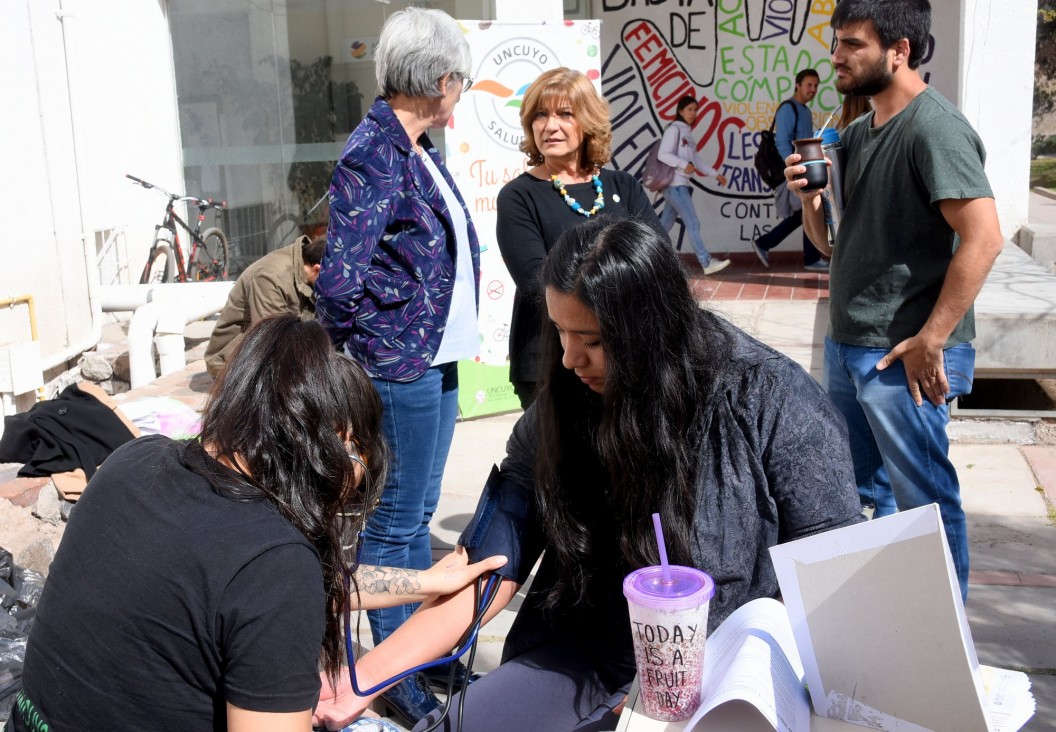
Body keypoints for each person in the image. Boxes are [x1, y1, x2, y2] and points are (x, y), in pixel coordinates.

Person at [313, 216, 863, 732]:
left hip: (720, 674)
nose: (572, 359)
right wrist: (362, 680)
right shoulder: (559, 410)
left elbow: (832, 584)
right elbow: (487, 567)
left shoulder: (772, 401)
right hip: (584, 655)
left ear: (655, 331)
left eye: (595, 341)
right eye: (560, 332)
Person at [11, 315, 506, 732]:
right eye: (356, 449)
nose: (356, 470)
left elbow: (253, 594)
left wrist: (427, 582)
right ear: (331, 438)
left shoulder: (134, 461)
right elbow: (271, 587)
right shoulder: (273, 559)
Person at [788, 0, 1005, 601]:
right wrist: (810, 199)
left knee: (924, 502)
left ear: (899, 50)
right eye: (836, 43)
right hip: (849, 344)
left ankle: (947, 644)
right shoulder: (858, 133)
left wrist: (932, 338)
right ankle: (886, 631)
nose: (837, 57)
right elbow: (832, 245)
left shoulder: (934, 127)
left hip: (903, 352)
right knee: (853, 494)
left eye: (853, 44)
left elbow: (984, 238)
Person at [315, 7, 481, 725]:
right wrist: (361, 361)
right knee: (393, 529)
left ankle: (424, 653)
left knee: (413, 522)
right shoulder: (374, 152)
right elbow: (338, 282)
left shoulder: (413, 146)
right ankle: (397, 683)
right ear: (440, 80)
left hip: (432, 360)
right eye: (459, 82)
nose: (460, 94)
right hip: (401, 364)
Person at [496, 67, 662, 409]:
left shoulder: (623, 186)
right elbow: (536, 283)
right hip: (551, 365)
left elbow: (657, 263)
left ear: (587, 122)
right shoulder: (519, 196)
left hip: (627, 358)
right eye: (540, 115)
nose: (550, 125)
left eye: (564, 114)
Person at [204, 234, 324, 377]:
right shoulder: (271, 277)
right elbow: (273, 342)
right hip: (232, 361)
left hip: (270, 351)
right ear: (316, 270)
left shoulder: (308, 271)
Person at [752, 69, 829, 271]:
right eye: (809, 85)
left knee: (805, 211)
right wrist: (794, 167)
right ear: (798, 85)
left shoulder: (805, 111)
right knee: (804, 211)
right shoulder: (788, 108)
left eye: (816, 86)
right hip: (795, 170)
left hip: (805, 168)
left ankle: (769, 245)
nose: (813, 89)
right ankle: (807, 257)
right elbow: (782, 143)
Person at [657, 94, 731, 275]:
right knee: (693, 223)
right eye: (689, 109)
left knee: (662, 227)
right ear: (680, 111)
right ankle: (706, 262)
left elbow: (697, 162)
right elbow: (662, 154)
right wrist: (683, 165)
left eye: (695, 110)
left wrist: (716, 175)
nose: (693, 113)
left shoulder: (687, 132)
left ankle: (644, 259)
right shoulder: (674, 129)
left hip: (679, 186)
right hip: (675, 186)